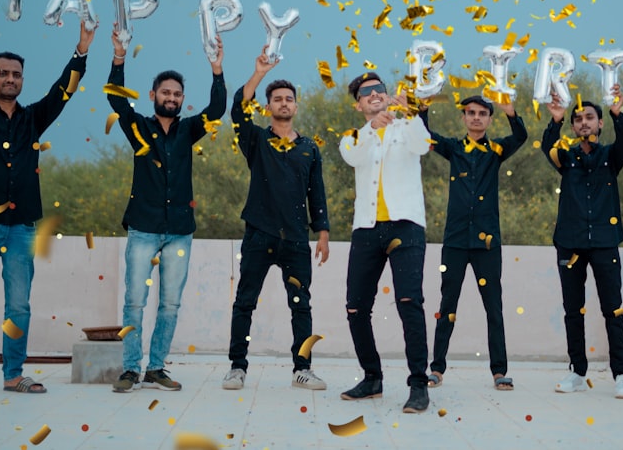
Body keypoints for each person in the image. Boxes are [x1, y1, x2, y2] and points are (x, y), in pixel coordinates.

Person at [0, 14, 95, 397]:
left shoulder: (32, 119)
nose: (10, 79)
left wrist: (82, 50)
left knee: (19, 306)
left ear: (22, 80)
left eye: (16, 74)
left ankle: (13, 375)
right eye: (3, 73)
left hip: (21, 226)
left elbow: (64, 91)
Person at [108, 27, 226, 394]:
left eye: (177, 94)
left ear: (181, 99)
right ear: (153, 95)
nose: (171, 98)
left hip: (179, 230)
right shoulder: (138, 127)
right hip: (143, 228)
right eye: (165, 93)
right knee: (134, 302)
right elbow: (115, 99)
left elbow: (218, 109)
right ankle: (130, 369)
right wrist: (119, 56)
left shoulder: (189, 130)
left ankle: (156, 368)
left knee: (170, 303)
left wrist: (217, 69)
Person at [222, 50, 330, 391]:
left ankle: (303, 368)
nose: (283, 103)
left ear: (296, 107)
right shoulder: (256, 140)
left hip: (297, 239)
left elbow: (317, 193)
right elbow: (237, 110)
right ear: (268, 106)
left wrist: (322, 232)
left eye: (289, 99)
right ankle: (237, 367)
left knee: (301, 305)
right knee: (245, 301)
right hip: (258, 233)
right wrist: (257, 74)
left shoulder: (309, 148)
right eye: (277, 99)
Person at [338, 72, 432, 413]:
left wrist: (412, 114)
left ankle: (419, 384)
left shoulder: (407, 127)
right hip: (366, 228)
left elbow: (423, 145)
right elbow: (353, 156)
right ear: (359, 103)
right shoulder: (353, 136)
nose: (375, 95)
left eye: (380, 89)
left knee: (409, 302)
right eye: (367, 92)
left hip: (405, 226)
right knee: (355, 307)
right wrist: (372, 128)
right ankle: (372, 377)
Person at [422, 95, 527, 391]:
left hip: (487, 243)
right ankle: (437, 369)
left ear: (489, 119)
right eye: (471, 113)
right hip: (454, 241)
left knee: (493, 307)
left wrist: (511, 112)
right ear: (464, 117)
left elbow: (521, 136)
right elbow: (425, 136)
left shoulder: (496, 150)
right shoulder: (454, 148)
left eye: (482, 113)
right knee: (447, 305)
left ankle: (499, 371)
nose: (476, 117)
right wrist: (424, 108)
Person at [541, 85, 623, 399]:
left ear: (599, 124)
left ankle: (622, 374)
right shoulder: (565, 158)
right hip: (569, 243)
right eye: (578, 119)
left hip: (605, 242)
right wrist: (554, 121)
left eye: (590, 118)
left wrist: (618, 112)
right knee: (573, 310)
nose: (584, 123)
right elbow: (547, 146)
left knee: (614, 309)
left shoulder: (611, 157)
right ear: (573, 127)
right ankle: (577, 371)